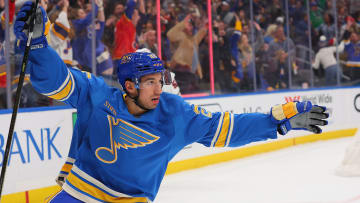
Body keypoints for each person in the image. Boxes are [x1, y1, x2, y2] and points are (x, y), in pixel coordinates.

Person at [14, 2, 329, 202]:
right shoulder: (99, 95)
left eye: (159, 80)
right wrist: (39, 45)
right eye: (149, 81)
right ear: (128, 85)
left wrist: (278, 123)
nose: (158, 88)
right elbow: (55, 81)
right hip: (79, 192)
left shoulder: (175, 114)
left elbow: (228, 128)